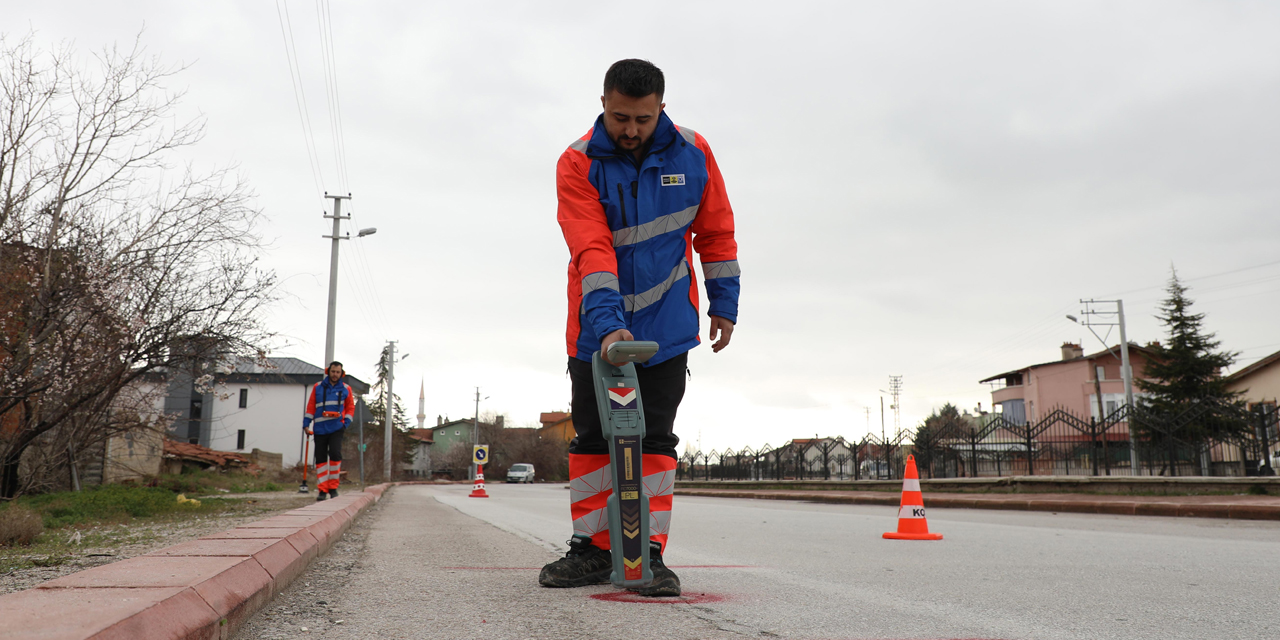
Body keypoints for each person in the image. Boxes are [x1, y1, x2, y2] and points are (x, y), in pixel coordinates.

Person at [541, 59, 740, 597]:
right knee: (592, 437)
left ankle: (646, 550)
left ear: (662, 108)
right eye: (620, 117)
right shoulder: (577, 163)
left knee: (653, 440)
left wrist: (725, 303)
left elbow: (716, 233)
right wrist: (607, 327)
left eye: (643, 119)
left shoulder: (694, 153)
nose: (630, 130)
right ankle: (592, 548)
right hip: (594, 328)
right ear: (603, 103)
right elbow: (592, 250)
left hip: (667, 327)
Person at [303, 361, 355, 501]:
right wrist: (306, 424)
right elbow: (311, 406)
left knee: (335, 455)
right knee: (320, 459)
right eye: (333, 371)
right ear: (328, 371)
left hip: (337, 428)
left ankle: (333, 488)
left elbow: (350, 407)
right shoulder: (317, 387)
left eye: (338, 372)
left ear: (341, 373)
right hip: (319, 428)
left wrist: (346, 423)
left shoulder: (346, 389)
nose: (335, 374)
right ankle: (322, 490)